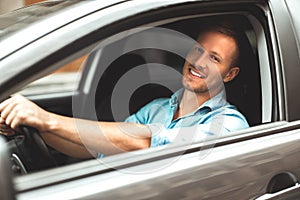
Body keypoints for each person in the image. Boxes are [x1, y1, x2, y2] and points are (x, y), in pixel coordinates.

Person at [0, 17, 249, 159]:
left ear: (230, 74)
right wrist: (31, 126)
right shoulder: (157, 108)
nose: (198, 61)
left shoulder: (228, 125)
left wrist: (46, 120)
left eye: (214, 58)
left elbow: (144, 143)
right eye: (197, 49)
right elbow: (99, 144)